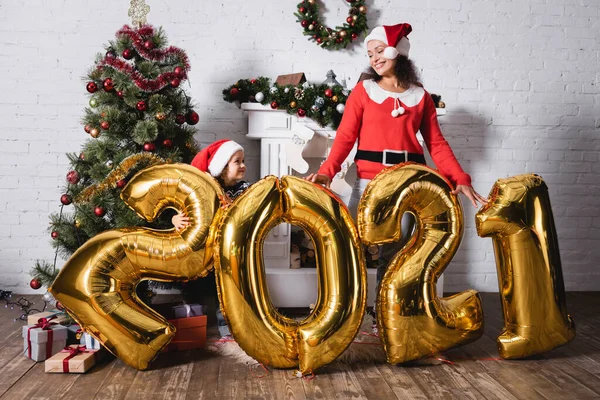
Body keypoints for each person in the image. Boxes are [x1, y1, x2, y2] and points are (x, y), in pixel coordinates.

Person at [306, 23, 487, 333]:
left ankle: (383, 317)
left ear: (397, 52)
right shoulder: (364, 92)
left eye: (380, 51)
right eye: (370, 53)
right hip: (369, 181)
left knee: (395, 251)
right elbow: (345, 137)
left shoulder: (421, 97)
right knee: (355, 245)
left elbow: (437, 143)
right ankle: (348, 313)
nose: (375, 58)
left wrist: (460, 177)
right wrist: (326, 172)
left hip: (408, 184)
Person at [172, 139, 250, 338]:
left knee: (223, 289)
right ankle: (193, 327)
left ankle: (227, 329)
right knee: (192, 285)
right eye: (237, 162)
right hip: (200, 249)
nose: (243, 165)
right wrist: (175, 218)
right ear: (223, 167)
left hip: (225, 250)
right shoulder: (204, 189)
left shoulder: (243, 189)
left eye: (243, 161)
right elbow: (182, 205)